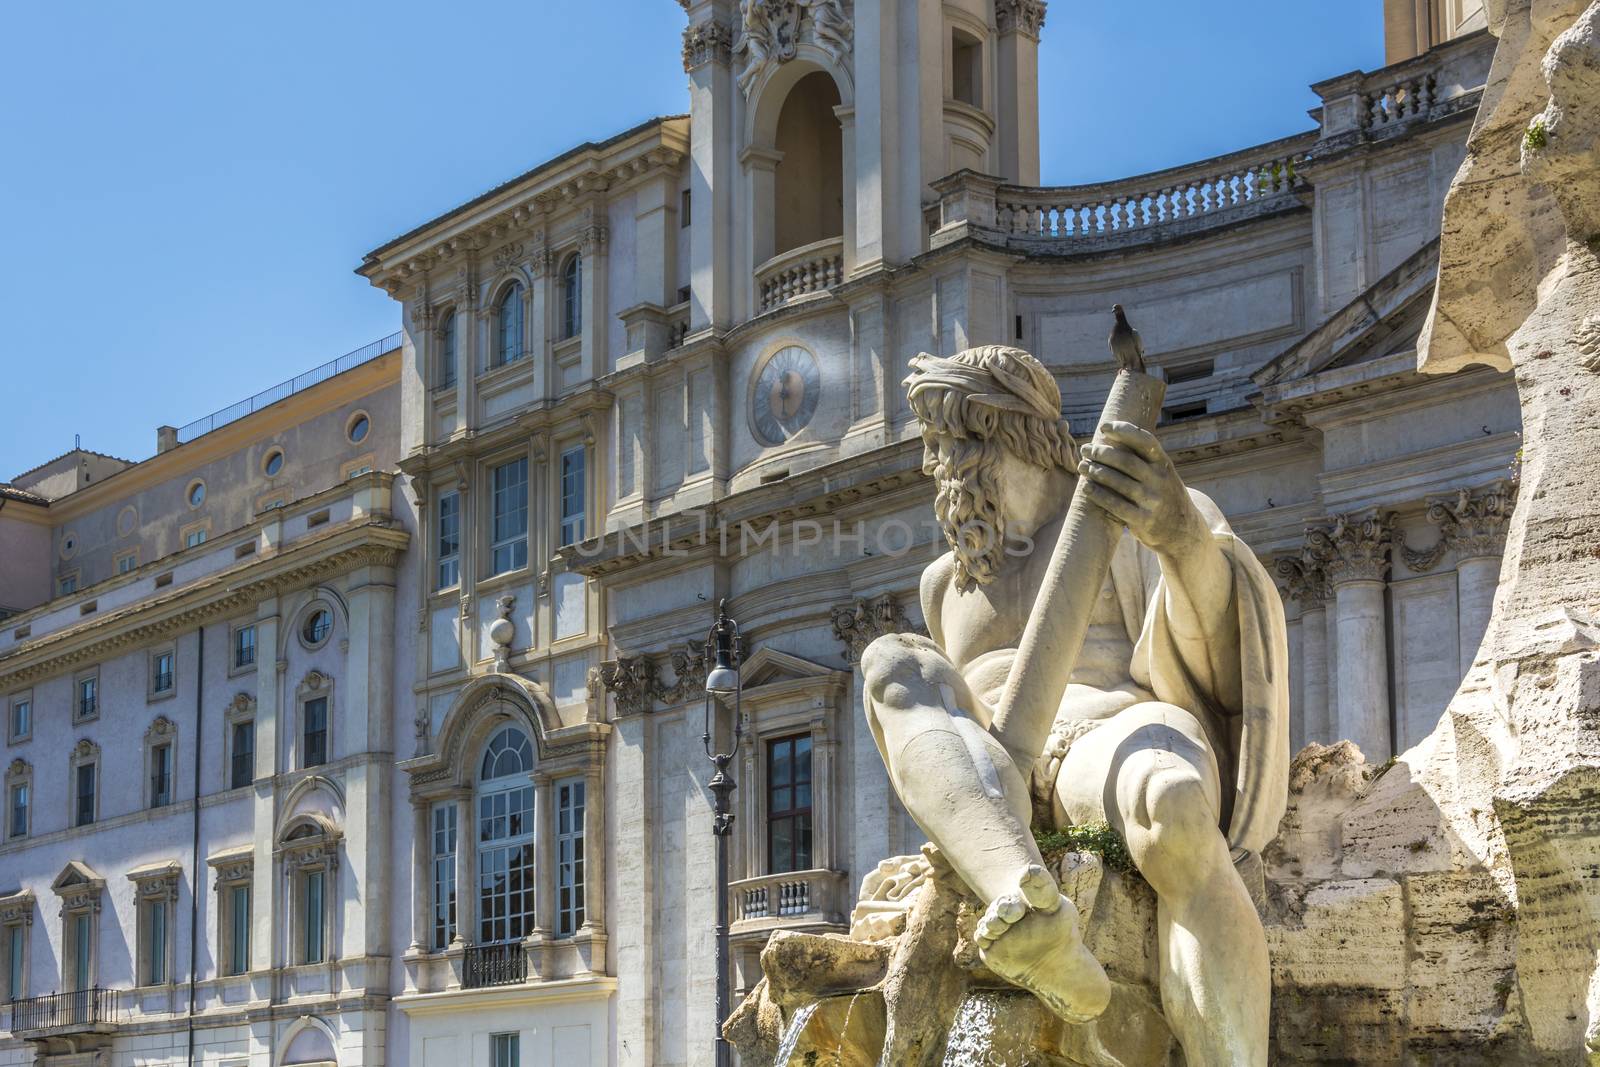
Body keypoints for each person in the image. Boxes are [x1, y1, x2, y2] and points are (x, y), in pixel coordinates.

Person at [861, 344, 1288, 1066]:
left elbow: (1222, 666)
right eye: (938, 447)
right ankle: (1030, 916)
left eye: (959, 441)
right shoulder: (946, 582)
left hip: (1114, 729)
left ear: (1018, 431)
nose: (945, 468)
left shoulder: (1127, 509)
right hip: (990, 773)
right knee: (892, 659)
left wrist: (1180, 538)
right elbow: (939, 724)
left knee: (1176, 803)